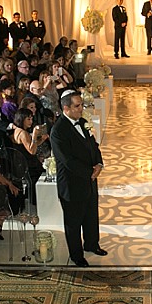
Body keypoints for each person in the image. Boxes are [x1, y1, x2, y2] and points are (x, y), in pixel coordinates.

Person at [49, 90, 107, 267]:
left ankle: (91, 244)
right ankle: (76, 255)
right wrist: (89, 172)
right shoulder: (58, 131)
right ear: (66, 108)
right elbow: (67, 160)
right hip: (72, 183)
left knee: (90, 214)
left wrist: (98, 163)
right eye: (77, 106)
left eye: (81, 104)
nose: (82, 108)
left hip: (89, 178)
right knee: (73, 222)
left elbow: (93, 145)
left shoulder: (82, 123)